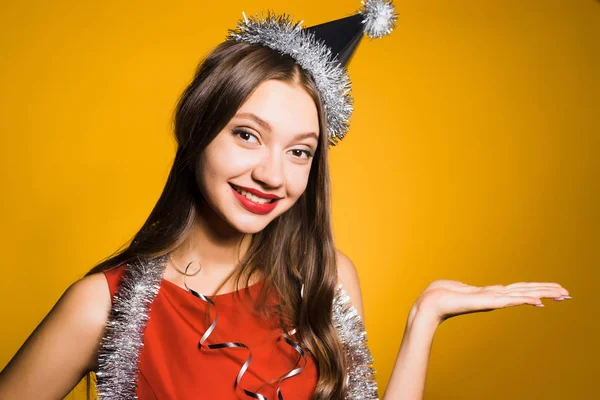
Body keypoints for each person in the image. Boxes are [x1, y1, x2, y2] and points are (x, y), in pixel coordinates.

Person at [0, 1, 571, 399]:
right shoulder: (103, 304)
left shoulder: (325, 279)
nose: (273, 174)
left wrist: (424, 319)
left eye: (301, 151)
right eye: (247, 135)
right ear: (199, 129)